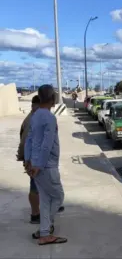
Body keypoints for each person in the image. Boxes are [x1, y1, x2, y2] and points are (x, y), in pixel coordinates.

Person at [24, 85, 67, 245]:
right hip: (46, 167)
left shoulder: (35, 116)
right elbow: (46, 145)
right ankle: (46, 227)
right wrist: (39, 165)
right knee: (58, 197)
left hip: (36, 165)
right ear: (51, 98)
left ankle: (44, 232)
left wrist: (28, 161)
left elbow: (29, 139)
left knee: (46, 200)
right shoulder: (49, 117)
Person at [17, 96, 41, 224]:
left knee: (36, 186)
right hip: (33, 159)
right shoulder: (34, 119)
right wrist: (29, 160)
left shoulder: (28, 118)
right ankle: (35, 214)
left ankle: (36, 212)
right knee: (35, 187)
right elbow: (26, 140)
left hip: (29, 158)